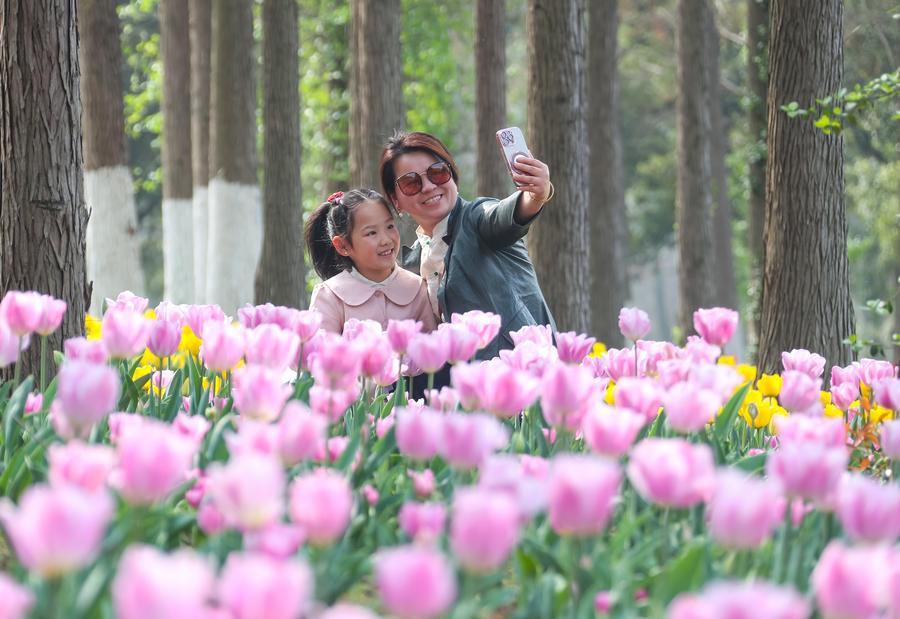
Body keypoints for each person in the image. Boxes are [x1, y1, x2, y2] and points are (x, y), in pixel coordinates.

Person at [379, 131, 556, 360]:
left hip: (525, 370)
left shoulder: (477, 219)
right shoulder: (414, 260)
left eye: (437, 172)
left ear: (451, 175)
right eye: (411, 183)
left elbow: (504, 216)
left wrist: (535, 195)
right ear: (396, 201)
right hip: (464, 379)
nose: (428, 186)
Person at [305, 188, 437, 335]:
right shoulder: (330, 296)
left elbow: (431, 343)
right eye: (371, 233)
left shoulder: (417, 288)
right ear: (343, 246)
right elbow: (322, 347)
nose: (386, 240)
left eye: (390, 226)